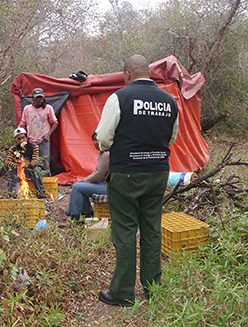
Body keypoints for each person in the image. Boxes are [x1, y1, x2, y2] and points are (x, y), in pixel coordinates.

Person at [96, 54, 179, 306]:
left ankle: (122, 293)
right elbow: (171, 139)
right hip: (157, 173)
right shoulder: (169, 101)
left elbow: (104, 139)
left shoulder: (119, 98)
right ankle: (153, 288)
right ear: (149, 73)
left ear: (127, 74)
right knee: (152, 230)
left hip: (126, 174)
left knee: (125, 231)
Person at [65, 132, 109, 220]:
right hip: (105, 184)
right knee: (82, 186)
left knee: (78, 187)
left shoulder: (106, 154)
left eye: (98, 139)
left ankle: (74, 217)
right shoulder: (102, 153)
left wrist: (81, 180)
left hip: (110, 187)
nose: (96, 142)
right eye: (94, 139)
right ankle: (88, 213)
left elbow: (98, 175)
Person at [19, 88, 58, 176]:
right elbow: (23, 124)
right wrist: (24, 137)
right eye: (37, 98)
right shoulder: (27, 109)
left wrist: (48, 134)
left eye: (41, 98)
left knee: (45, 162)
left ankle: (46, 183)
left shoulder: (48, 108)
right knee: (30, 162)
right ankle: (32, 181)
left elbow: (55, 123)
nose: (39, 100)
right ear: (33, 98)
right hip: (31, 140)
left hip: (43, 140)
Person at [4, 127, 46, 200]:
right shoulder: (13, 149)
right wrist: (15, 165)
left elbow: (35, 162)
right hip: (19, 171)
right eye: (19, 139)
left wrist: (26, 164)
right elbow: (7, 162)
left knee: (37, 171)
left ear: (26, 137)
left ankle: (41, 196)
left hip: (30, 170)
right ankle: (11, 197)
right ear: (16, 141)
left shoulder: (34, 147)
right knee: (11, 173)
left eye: (23, 137)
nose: (21, 140)